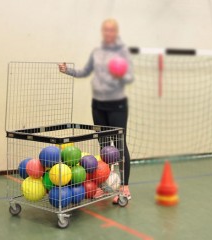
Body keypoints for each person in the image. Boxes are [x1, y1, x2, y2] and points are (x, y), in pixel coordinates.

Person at [58, 19, 133, 203]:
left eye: (111, 30)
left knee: (119, 145)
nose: (108, 33)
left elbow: (129, 76)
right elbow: (85, 71)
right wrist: (68, 71)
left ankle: (124, 186)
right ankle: (103, 184)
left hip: (117, 105)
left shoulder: (122, 52)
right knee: (103, 145)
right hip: (98, 105)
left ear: (116, 32)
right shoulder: (97, 52)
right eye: (105, 30)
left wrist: (118, 75)